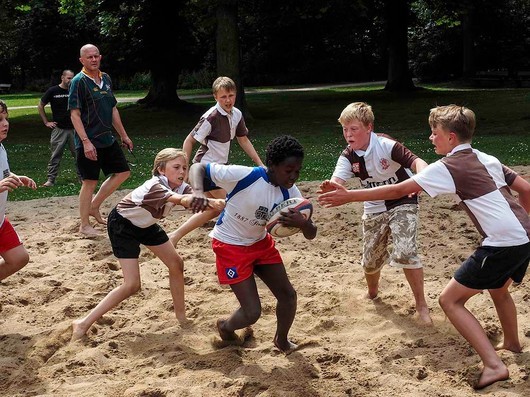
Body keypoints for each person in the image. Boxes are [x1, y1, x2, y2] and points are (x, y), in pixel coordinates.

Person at [318, 104, 530, 390]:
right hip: (524, 236)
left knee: (449, 301)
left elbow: (396, 191)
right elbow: (526, 190)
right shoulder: (486, 157)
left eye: (435, 133)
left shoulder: (448, 166)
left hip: (503, 243)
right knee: (498, 288)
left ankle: (494, 365)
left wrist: (349, 197)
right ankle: (513, 343)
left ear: (451, 137)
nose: (431, 139)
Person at [71, 148, 225, 341]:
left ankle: (181, 317)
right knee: (132, 284)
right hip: (123, 225)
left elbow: (193, 195)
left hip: (146, 225)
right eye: (176, 167)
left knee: (176, 264)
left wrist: (218, 201)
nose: (182, 172)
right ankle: (83, 322)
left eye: (184, 168)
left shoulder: (179, 185)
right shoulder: (155, 186)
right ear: (161, 170)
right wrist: (212, 202)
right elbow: (184, 200)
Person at [188, 135, 317, 353]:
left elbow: (312, 234)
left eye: (298, 171)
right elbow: (197, 168)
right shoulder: (245, 176)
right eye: (288, 170)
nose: (293, 176)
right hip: (230, 245)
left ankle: (282, 340)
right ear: (273, 165)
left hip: (260, 244)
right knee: (252, 313)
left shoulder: (291, 194)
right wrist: (198, 193)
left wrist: (303, 224)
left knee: (288, 296)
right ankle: (225, 327)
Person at [318, 102, 432, 324]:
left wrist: (423, 177)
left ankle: (421, 306)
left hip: (403, 199)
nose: (348, 134)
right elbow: (337, 182)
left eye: (354, 129)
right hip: (373, 205)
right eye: (344, 129)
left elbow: (417, 161)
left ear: (368, 127)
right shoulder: (348, 156)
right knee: (370, 261)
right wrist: (330, 187)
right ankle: (372, 293)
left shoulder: (385, 145)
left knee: (406, 251)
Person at [168, 76, 264, 245]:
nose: (228, 100)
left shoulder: (237, 114)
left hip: (220, 168)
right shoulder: (211, 117)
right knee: (230, 203)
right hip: (206, 168)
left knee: (213, 208)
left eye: (231, 95)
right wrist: (185, 168)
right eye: (223, 97)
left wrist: (260, 163)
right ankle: (179, 234)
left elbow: (243, 140)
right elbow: (189, 141)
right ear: (215, 97)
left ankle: (177, 234)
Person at [68, 44, 133, 236]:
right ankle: (84, 226)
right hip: (88, 140)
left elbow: (113, 109)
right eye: (89, 57)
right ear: (82, 60)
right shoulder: (79, 81)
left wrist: (124, 135)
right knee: (89, 181)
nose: (93, 59)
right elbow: (74, 115)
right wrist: (86, 142)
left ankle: (94, 205)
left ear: (100, 57)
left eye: (96, 56)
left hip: (107, 138)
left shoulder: (106, 79)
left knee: (123, 172)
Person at [0, 100, 37, 281]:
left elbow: (3, 173)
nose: (5, 123)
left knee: (19, 258)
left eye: (6, 118)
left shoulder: (0, 146)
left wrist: (15, 177)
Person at [38, 69, 80, 187]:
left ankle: (82, 178)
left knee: (79, 155)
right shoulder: (53, 91)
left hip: (75, 129)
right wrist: (46, 122)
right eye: (68, 78)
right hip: (59, 129)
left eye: (72, 78)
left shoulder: (76, 90)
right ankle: (51, 180)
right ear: (62, 78)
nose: (70, 80)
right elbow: (40, 105)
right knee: (55, 156)